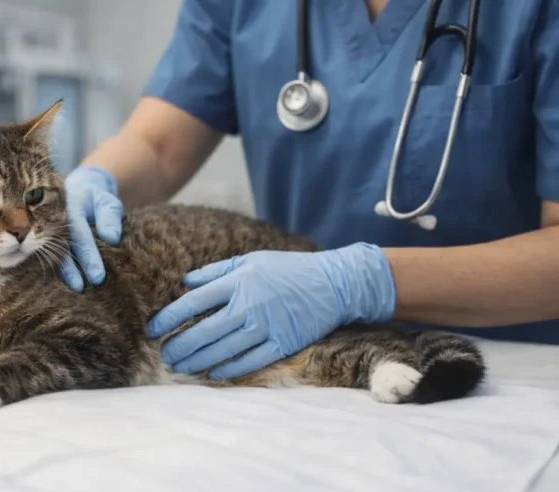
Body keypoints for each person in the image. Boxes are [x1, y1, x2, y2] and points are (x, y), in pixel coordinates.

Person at [59, 0, 559, 380]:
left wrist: (360, 281)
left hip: (509, 371)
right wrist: (88, 183)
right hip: (302, 357)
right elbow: (157, 142)